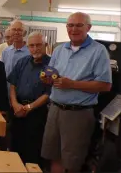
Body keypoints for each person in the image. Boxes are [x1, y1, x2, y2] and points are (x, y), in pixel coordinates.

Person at [41, 12, 112, 173]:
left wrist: (72, 84)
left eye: (79, 25)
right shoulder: (60, 49)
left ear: (88, 27)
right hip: (55, 109)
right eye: (70, 25)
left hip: (78, 113)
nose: (74, 29)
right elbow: (51, 73)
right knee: (54, 156)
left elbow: (105, 85)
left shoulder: (98, 51)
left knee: (72, 161)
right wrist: (47, 78)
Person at [7, 31, 50, 167]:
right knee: (15, 148)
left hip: (37, 114)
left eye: (38, 45)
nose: (35, 49)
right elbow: (13, 85)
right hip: (18, 111)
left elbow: (49, 93)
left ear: (46, 45)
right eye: (31, 45)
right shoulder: (22, 62)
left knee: (33, 151)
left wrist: (29, 108)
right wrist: (14, 104)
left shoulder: (51, 65)